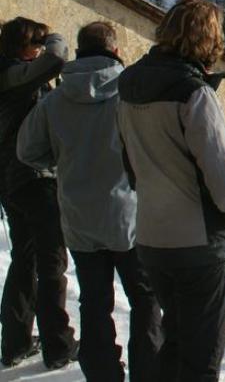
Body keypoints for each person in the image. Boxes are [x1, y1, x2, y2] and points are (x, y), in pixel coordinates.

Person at [116, 0, 225, 381]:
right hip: (198, 241)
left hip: (151, 236)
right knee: (201, 359)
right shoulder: (194, 92)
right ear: (208, 40)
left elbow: (129, 163)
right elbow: (222, 177)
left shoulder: (127, 86)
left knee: (173, 343)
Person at [16, 20, 162, 381]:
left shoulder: (54, 101)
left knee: (94, 303)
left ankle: (103, 373)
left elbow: (27, 151)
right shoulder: (132, 95)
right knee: (145, 299)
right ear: (114, 51)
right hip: (129, 218)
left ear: (79, 52)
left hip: (79, 218)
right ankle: (148, 371)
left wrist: (61, 161)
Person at [0, 17, 78, 369]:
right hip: (33, 177)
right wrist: (56, 37)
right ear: (24, 46)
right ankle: (58, 345)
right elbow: (57, 59)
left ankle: (15, 342)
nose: (40, 50)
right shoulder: (13, 74)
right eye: (36, 43)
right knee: (51, 262)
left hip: (12, 180)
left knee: (26, 258)